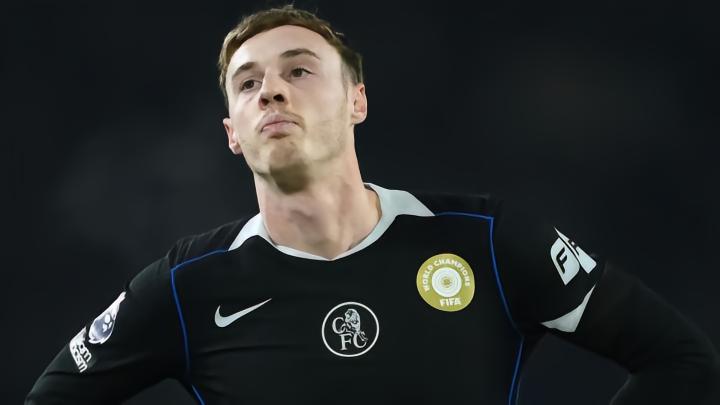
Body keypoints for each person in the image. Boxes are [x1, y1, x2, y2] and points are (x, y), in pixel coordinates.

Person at [26, 4, 720, 404]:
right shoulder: (189, 286)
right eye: (247, 83)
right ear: (232, 133)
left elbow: (681, 361)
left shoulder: (487, 242)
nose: (271, 91)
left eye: (299, 69)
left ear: (357, 100)